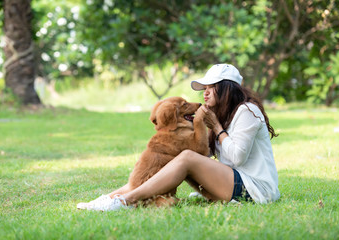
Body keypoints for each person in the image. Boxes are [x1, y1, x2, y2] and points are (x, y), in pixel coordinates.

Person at [77, 63, 280, 211]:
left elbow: (237, 157)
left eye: (210, 88)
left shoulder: (247, 111)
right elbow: (203, 153)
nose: (205, 94)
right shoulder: (220, 113)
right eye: (204, 90)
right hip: (231, 184)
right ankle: (108, 199)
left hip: (256, 191)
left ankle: (126, 202)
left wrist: (216, 127)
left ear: (226, 87)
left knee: (186, 158)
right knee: (177, 157)